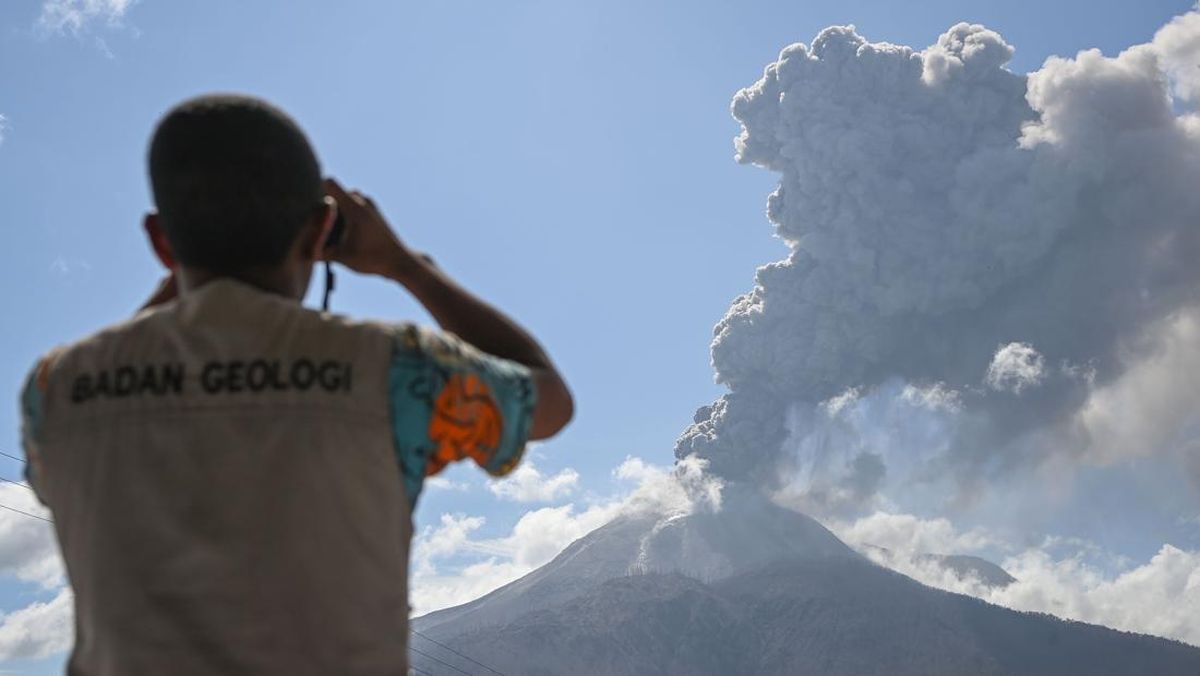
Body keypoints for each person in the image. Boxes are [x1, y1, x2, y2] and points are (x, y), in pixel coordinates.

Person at [18, 94, 573, 676]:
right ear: (319, 231)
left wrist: (184, 277)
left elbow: (50, 468)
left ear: (161, 243)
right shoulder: (397, 367)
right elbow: (550, 402)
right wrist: (407, 263)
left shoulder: (57, 390)